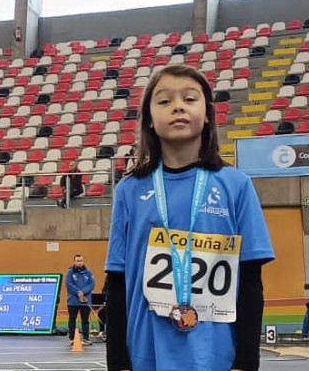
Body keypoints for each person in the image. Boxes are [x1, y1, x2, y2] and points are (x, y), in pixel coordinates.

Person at [105, 64, 275, 371]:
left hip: (215, 353)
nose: (178, 106)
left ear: (207, 114)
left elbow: (251, 281)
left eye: (189, 98)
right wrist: (117, 362)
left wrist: (247, 361)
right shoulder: (129, 191)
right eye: (165, 101)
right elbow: (116, 281)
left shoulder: (236, 186)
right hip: (146, 352)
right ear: (150, 120)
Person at [65, 254, 95, 346]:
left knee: (85, 320)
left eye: (81, 260)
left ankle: (86, 338)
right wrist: (78, 292)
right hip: (73, 301)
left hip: (85, 301)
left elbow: (92, 284)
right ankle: (72, 338)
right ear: (74, 262)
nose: (79, 262)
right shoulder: (70, 272)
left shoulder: (88, 272)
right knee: (72, 319)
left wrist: (83, 292)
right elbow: (68, 284)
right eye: (77, 261)